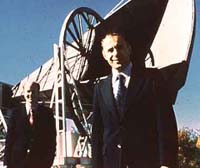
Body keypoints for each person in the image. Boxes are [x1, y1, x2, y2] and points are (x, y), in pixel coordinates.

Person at [92, 32, 178, 168]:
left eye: (119, 47)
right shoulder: (100, 88)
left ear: (129, 49)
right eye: (110, 50)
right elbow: (97, 133)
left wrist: (167, 163)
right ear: (104, 55)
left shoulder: (152, 79)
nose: (115, 53)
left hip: (147, 162)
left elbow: (166, 123)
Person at [4, 81, 56, 168]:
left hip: (39, 163)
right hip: (17, 163)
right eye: (28, 91)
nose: (31, 94)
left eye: (33, 91)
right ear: (24, 93)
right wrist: (7, 163)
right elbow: (9, 139)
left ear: (38, 93)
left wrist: (48, 162)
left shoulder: (47, 114)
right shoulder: (15, 113)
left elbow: (51, 140)